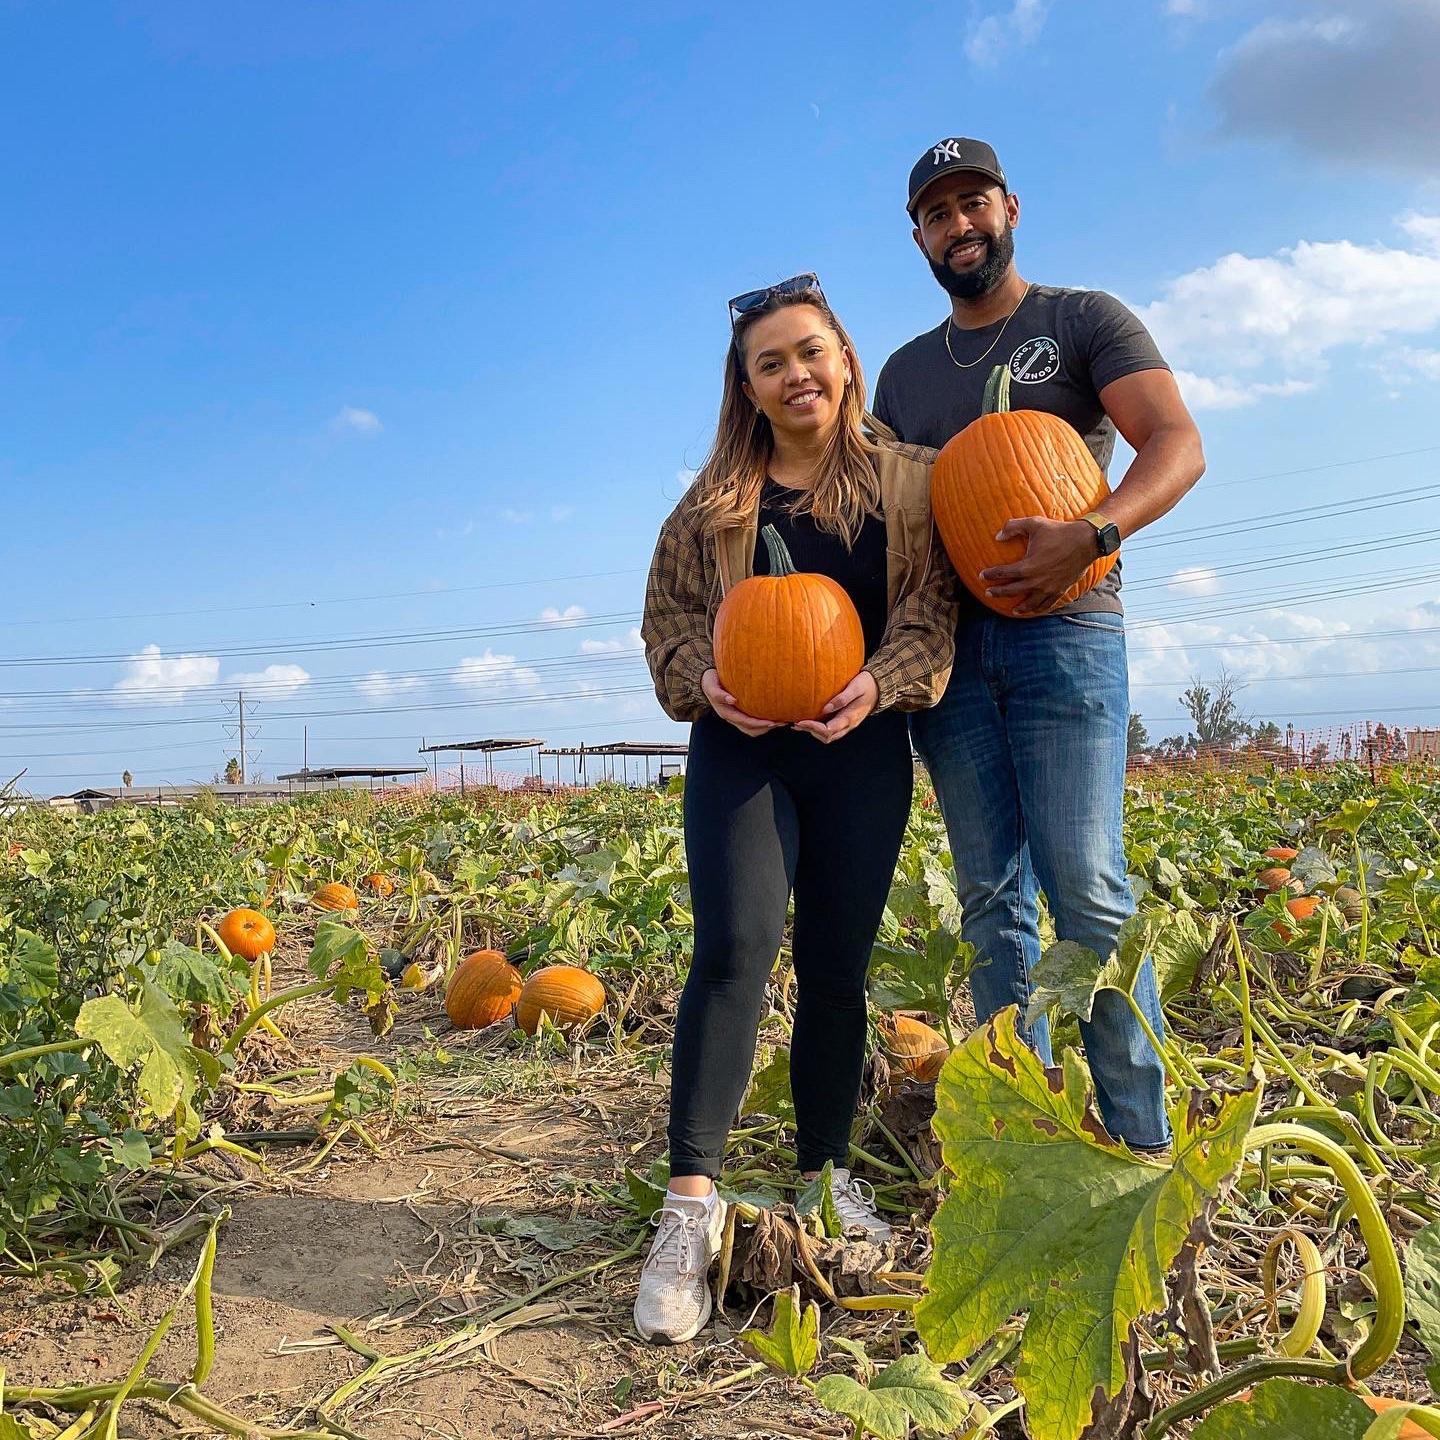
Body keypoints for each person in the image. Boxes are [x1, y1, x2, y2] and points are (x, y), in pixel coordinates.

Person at [637, 274, 959, 1344]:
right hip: (744, 750)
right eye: (770, 362)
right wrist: (700, 678)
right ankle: (691, 1207)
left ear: (844, 358)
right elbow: (669, 624)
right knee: (733, 948)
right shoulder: (713, 505)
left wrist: (884, 680)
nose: (795, 374)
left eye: (809, 351)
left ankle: (822, 1176)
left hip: (860, 750)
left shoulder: (907, 483)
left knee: (836, 969)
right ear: (748, 385)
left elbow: (929, 613)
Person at [871, 138, 1206, 1153]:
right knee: (989, 901)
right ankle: (1028, 1132)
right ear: (918, 235)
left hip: (1069, 633)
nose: (958, 225)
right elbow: (885, 519)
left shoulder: (1081, 319)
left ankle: (1140, 1143)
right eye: (937, 213)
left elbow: (1177, 443)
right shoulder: (903, 374)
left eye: (973, 203)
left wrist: (1096, 531)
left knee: (1089, 887)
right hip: (955, 662)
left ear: (1011, 207)